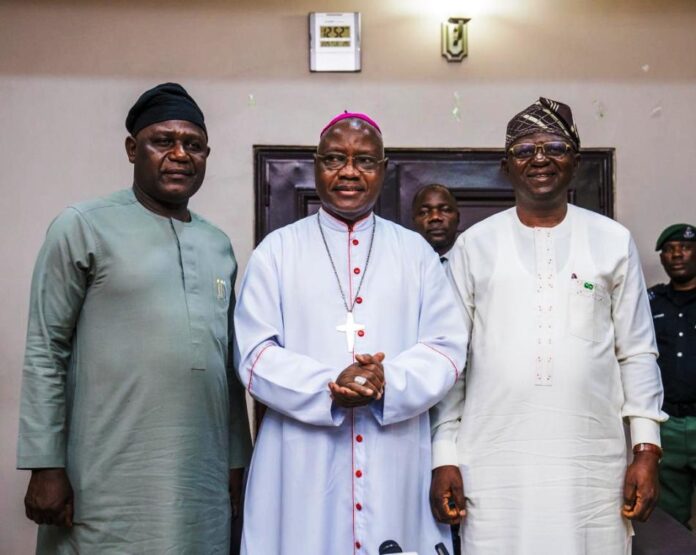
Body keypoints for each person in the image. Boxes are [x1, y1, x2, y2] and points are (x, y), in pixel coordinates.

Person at [17, 83, 252, 554]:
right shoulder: (82, 226)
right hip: (103, 476)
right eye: (163, 141)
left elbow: (227, 367)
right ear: (132, 149)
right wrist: (45, 464)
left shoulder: (218, 245)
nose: (180, 154)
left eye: (194, 144)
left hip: (200, 477)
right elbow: (45, 348)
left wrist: (236, 460)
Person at [430, 97, 666, 554]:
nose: (540, 159)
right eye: (524, 150)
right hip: (494, 465)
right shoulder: (472, 247)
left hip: (592, 465)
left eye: (554, 147)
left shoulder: (613, 241)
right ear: (506, 166)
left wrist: (646, 449)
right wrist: (444, 456)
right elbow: (450, 362)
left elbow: (637, 352)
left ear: (575, 161)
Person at [234, 112, 468, 554]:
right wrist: (330, 387)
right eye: (335, 158)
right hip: (300, 462)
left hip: (395, 457)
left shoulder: (415, 253)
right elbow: (253, 354)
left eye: (363, 160)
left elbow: (447, 348)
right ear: (315, 165)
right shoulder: (276, 252)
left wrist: (388, 383)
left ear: (382, 168)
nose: (348, 171)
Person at [648, 223, 696, 527]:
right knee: (668, 519)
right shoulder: (650, 302)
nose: (676, 254)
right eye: (669, 249)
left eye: (685, 247)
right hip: (667, 425)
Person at [411, 184, 460, 261]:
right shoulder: (402, 262)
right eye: (424, 212)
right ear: (414, 221)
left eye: (445, 210)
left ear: (458, 218)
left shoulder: (473, 259)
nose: (435, 217)